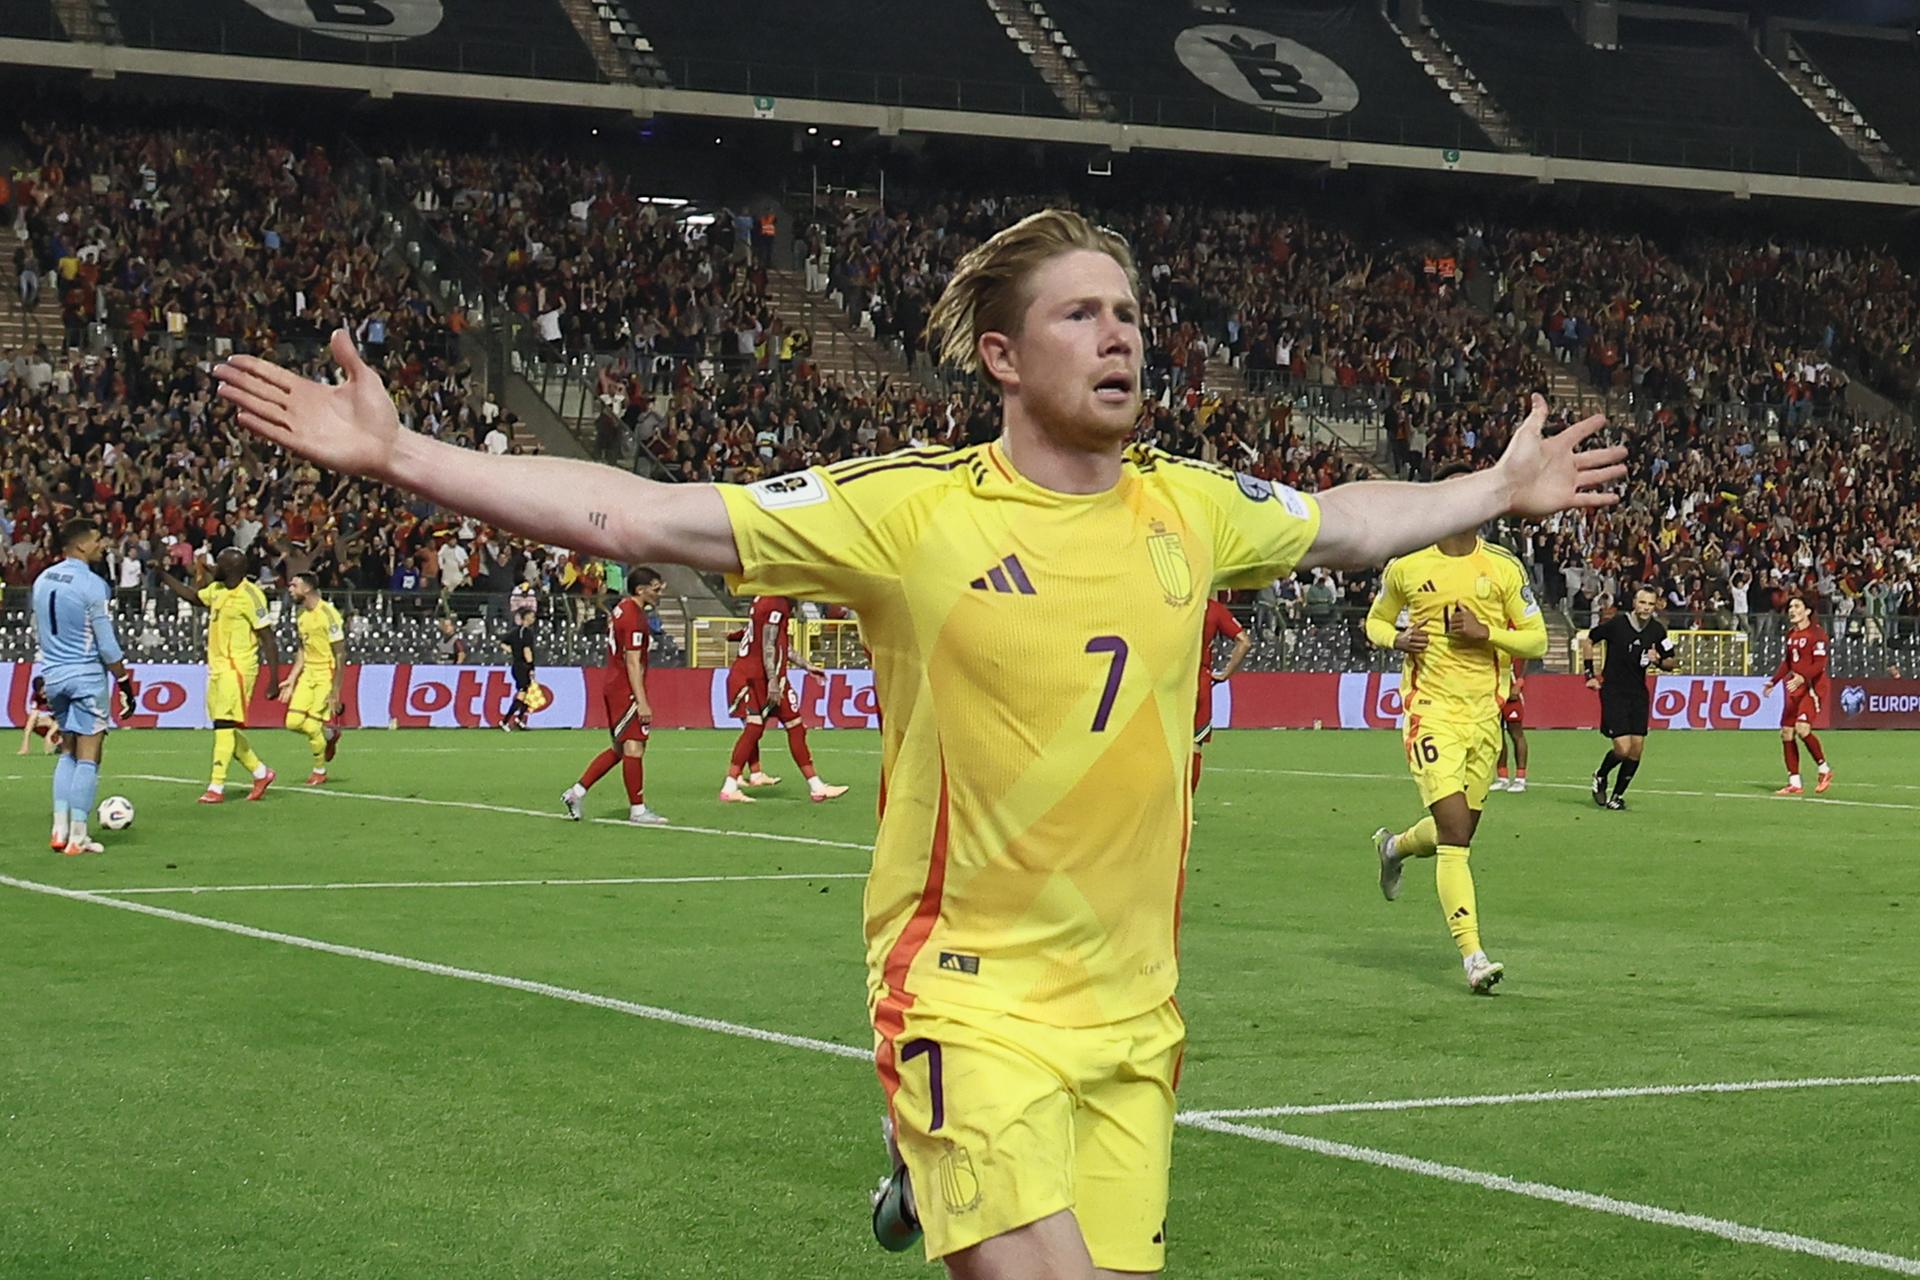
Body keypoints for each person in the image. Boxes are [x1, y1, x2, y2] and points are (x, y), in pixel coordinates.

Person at [211, 208, 1625, 1279]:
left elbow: (1356, 516)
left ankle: (922, 1173)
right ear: (1003, 358)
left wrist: (1493, 488)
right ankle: (928, 1127)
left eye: (1129, 312)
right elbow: (634, 515)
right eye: (1081, 316)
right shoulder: (911, 514)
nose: (1122, 335)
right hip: (969, 993)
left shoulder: (1193, 509)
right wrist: (406, 459)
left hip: (1138, 1016)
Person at [1364, 468, 1547, 995]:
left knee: (1456, 828)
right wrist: (1398, 640)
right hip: (1431, 712)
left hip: (1484, 719)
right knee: (1457, 836)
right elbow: (1375, 622)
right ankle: (1473, 957)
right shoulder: (1407, 567)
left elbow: (1535, 640)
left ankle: (1395, 847)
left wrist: (1485, 632)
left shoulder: (1503, 568)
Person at [31, 518, 139, 854]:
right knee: (90, 755)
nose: (102, 544)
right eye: (97, 540)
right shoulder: (92, 585)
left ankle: (59, 830)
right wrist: (123, 681)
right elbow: (106, 644)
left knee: (67, 750)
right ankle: (78, 837)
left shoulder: (41, 580)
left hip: (53, 674)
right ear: (80, 546)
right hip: (86, 675)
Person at [159, 548, 280, 804]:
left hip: (238, 668)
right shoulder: (218, 590)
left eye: (220, 564)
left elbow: (268, 638)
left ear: (232, 568)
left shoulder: (251, 595)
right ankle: (261, 772)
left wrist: (273, 678)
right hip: (217, 667)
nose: (216, 567)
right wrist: (163, 575)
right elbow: (193, 597)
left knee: (224, 725)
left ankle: (216, 785)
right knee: (224, 726)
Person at [561, 567, 670, 826]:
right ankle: (638, 809)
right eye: (655, 588)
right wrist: (642, 699)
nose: (659, 592)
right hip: (625, 687)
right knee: (634, 747)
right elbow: (632, 661)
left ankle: (576, 793)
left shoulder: (621, 608)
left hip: (614, 684)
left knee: (620, 748)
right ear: (640, 590)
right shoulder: (633, 616)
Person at [719, 594, 850, 804]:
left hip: (768, 675)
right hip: (758, 676)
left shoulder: (766, 600)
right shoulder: (776, 603)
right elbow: (768, 644)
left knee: (794, 726)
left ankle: (816, 787)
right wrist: (772, 679)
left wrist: (807, 666)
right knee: (756, 728)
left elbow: (780, 645)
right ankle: (732, 785)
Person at [1581, 585, 1676, 811]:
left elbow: (1672, 662)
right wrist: (1589, 674)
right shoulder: (1616, 625)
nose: (1646, 608)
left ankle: (1617, 796)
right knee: (1622, 749)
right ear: (1634, 603)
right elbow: (1588, 640)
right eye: (1642, 603)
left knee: (1636, 749)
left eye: (1650, 604)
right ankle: (1601, 774)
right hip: (1614, 691)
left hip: (1638, 694)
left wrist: (1659, 661)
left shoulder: (1657, 631)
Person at [277, 573, 346, 786]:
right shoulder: (301, 615)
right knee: (293, 722)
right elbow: (302, 650)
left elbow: (341, 653)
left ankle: (319, 770)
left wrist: (336, 690)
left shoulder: (329, 614)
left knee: (311, 726)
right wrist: (291, 678)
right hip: (307, 674)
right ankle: (329, 734)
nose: (290, 589)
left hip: (325, 674)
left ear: (306, 589)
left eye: (294, 585)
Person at [1762, 595, 1833, 795]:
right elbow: (1788, 662)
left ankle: (1824, 769)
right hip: (1795, 688)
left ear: (1807, 611)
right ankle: (1795, 782)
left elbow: (1820, 665)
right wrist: (1773, 682)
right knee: (1786, 732)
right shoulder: (1791, 634)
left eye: (1796, 606)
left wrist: (1803, 677)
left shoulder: (1817, 634)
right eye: (1790, 607)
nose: (1791, 610)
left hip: (1813, 687)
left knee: (1802, 729)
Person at [1190, 594, 1250, 795]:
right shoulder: (1214, 609)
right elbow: (1244, 641)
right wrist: (1226, 673)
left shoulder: (1172, 606)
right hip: (1200, 679)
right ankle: (1187, 807)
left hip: (1175, 679)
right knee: (1194, 746)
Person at [1489, 655, 1529, 792]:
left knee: (1516, 733)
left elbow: (1526, 658)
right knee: (1497, 734)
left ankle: (1520, 778)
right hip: (1494, 693)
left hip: (1512, 694)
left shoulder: (1513, 638)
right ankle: (1502, 777)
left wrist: (1519, 684)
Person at [500, 606, 540, 730]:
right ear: (527, 618)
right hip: (523, 666)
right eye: (532, 616)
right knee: (523, 693)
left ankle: (519, 719)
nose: (534, 619)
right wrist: (531, 666)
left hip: (516, 665)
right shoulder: (527, 632)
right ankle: (505, 721)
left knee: (528, 692)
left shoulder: (515, 632)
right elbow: (527, 650)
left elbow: (502, 643)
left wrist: (513, 652)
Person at [18, 675, 61, 755]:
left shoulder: (58, 693)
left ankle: (63, 742)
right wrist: (25, 746)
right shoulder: (36, 697)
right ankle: (58, 742)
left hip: (71, 721)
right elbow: (32, 719)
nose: (43, 697)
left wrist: (49, 735)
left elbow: (64, 718)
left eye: (44, 693)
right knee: (34, 722)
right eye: (41, 695)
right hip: (58, 720)